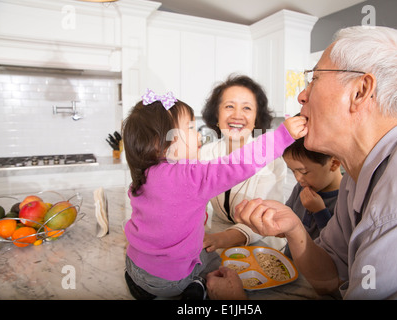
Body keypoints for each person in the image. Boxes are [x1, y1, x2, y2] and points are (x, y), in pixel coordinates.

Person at [206, 26, 397, 300]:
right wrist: (295, 228)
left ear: (360, 91)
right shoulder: (358, 175)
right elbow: (332, 278)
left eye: (315, 79)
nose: (302, 96)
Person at [122, 88, 307, 300]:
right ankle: (196, 288)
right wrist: (283, 136)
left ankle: (140, 286)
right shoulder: (188, 175)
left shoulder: (145, 174)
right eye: (190, 128)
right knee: (218, 270)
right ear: (160, 143)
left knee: (207, 255)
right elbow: (237, 165)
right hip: (169, 279)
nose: (198, 134)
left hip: (135, 263)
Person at [200, 74, 288, 253]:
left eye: (247, 108)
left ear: (256, 118)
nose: (237, 115)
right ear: (217, 114)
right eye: (229, 106)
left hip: (261, 246)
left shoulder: (271, 162)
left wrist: (220, 239)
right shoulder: (204, 154)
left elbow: (263, 218)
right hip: (215, 239)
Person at [283, 136, 342, 244]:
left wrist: (319, 211)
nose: (298, 178)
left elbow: (337, 246)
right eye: (292, 171)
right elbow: (287, 216)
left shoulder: (345, 199)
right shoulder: (301, 186)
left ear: (334, 164)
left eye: (304, 172)